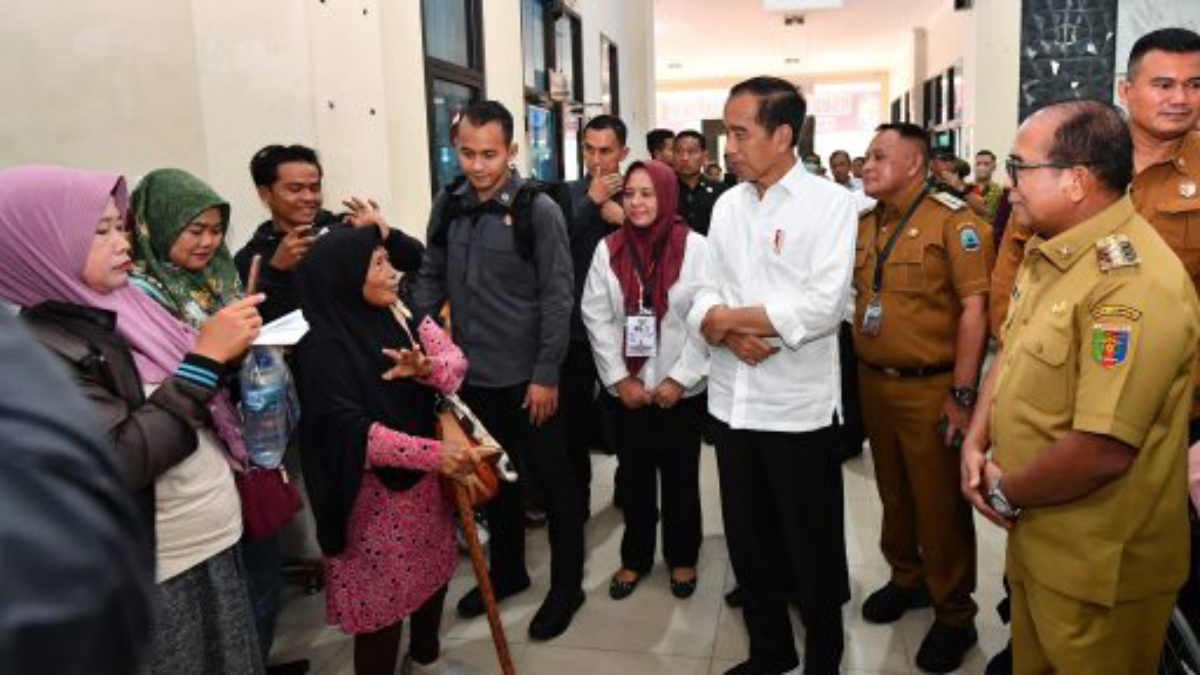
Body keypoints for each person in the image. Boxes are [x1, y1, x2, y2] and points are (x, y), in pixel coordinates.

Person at [961, 99, 1200, 674]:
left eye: (1020, 168)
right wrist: (975, 441)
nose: (1007, 184)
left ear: (1076, 180)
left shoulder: (1132, 286)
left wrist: (1004, 492)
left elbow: (1102, 449)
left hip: (1099, 567)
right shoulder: (1053, 251)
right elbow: (1012, 353)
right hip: (1041, 539)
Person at [0, 165, 266, 675]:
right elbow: (117, 461)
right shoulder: (41, 350)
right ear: (37, 243)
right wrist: (205, 362)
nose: (123, 241)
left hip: (206, 537)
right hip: (159, 565)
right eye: (100, 231)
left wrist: (224, 360)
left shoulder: (129, 304)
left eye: (119, 225)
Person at [691, 76, 855, 675]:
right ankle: (770, 651)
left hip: (797, 409)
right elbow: (701, 287)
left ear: (783, 135)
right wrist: (726, 328)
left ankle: (824, 657)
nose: (728, 146)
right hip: (732, 401)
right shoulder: (728, 204)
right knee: (748, 541)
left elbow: (823, 306)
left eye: (740, 133)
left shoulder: (831, 204)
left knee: (810, 544)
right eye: (727, 132)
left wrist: (730, 318)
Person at [410, 100, 585, 640]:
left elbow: (558, 296)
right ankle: (508, 571)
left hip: (530, 377)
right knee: (497, 483)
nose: (478, 165)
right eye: (467, 153)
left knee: (554, 488)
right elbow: (431, 274)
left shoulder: (539, 210)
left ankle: (566, 586)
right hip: (472, 377)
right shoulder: (451, 201)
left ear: (511, 150)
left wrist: (547, 373)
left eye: (490, 154)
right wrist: (418, 337)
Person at [126, 167, 309, 675]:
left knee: (257, 574)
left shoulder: (220, 275)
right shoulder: (140, 298)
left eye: (214, 229)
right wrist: (218, 355)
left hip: (244, 444)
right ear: (156, 226)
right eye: (195, 230)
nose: (208, 242)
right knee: (230, 593)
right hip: (191, 458)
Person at [293, 226, 476, 675]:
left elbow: (456, 365)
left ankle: (425, 660)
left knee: (432, 575)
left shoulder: (402, 313)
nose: (394, 273)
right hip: (371, 500)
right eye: (378, 264)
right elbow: (353, 435)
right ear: (345, 276)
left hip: (424, 486)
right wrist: (437, 455)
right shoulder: (321, 346)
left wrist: (426, 367)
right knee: (383, 607)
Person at [853, 122, 993, 672]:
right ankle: (906, 579)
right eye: (866, 156)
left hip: (932, 386)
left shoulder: (955, 223)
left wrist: (962, 395)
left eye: (879, 157)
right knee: (893, 492)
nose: (867, 165)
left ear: (915, 164)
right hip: (874, 380)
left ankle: (954, 613)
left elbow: (975, 312)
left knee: (939, 504)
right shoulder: (867, 224)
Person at [0, 310, 155, 675]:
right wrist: (201, 371)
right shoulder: (38, 344)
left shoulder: (116, 313)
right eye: (94, 245)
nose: (121, 247)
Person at [582, 159, 709, 601]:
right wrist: (620, 380)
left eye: (647, 193)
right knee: (634, 479)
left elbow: (707, 320)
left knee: (680, 480)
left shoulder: (697, 248)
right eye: (629, 194)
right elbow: (596, 317)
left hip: (682, 390)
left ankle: (682, 556)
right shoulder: (608, 249)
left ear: (667, 195)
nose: (636, 202)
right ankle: (635, 558)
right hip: (630, 393)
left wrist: (681, 378)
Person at [1123, 27, 1200, 426]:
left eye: (1194, 84)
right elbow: (1015, 273)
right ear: (1126, 90)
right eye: (1164, 84)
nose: (1180, 99)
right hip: (1070, 395)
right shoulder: (1075, 160)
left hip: (1180, 404)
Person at [233, 144, 397, 323]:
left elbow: (415, 259)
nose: (309, 197)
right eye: (295, 189)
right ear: (265, 194)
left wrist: (381, 232)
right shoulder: (251, 258)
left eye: (315, 188)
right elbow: (266, 323)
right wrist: (277, 271)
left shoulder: (344, 228)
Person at [562, 113, 629, 514]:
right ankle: (577, 500)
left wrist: (622, 219)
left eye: (606, 150)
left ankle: (629, 489)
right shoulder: (567, 194)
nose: (597, 159)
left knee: (625, 419)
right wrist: (592, 202)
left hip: (624, 330)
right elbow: (550, 244)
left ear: (623, 152)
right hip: (572, 329)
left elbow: (660, 249)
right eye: (590, 149)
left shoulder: (639, 194)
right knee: (573, 425)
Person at [674, 129, 725, 235]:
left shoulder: (720, 192)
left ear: (704, 156)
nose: (685, 157)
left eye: (692, 152)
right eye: (679, 151)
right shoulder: (665, 191)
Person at [968, 150, 1008, 226]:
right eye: (978, 164)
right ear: (974, 166)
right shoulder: (966, 189)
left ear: (994, 167)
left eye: (986, 164)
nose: (981, 167)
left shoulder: (1000, 192)